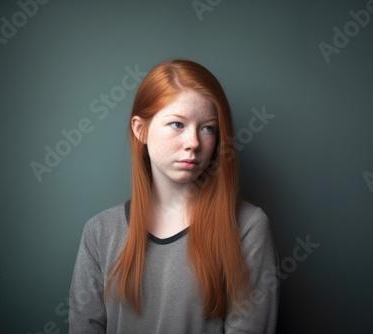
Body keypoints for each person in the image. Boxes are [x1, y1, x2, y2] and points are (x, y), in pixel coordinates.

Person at [68, 59, 279, 333]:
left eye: (208, 128)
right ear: (140, 129)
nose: (194, 143)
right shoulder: (99, 232)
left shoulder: (248, 227)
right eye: (177, 124)